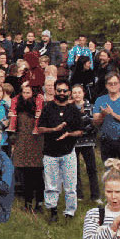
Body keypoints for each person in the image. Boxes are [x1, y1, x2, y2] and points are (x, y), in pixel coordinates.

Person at [37, 81, 87, 220]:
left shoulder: (73, 110)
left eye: (65, 91)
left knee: (71, 186)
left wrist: (69, 134)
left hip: (68, 152)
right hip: (50, 153)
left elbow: (80, 131)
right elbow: (40, 128)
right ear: (54, 91)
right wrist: (54, 130)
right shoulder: (48, 108)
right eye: (59, 90)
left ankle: (70, 212)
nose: (62, 93)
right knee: (51, 185)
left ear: (69, 92)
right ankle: (53, 211)